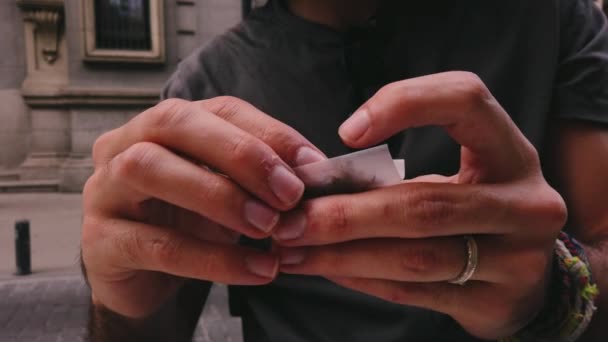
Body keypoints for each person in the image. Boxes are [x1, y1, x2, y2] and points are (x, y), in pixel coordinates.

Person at [81, 0, 608, 341]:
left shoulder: (553, 19)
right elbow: (147, 327)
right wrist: (119, 303)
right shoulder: (205, 84)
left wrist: (555, 291)